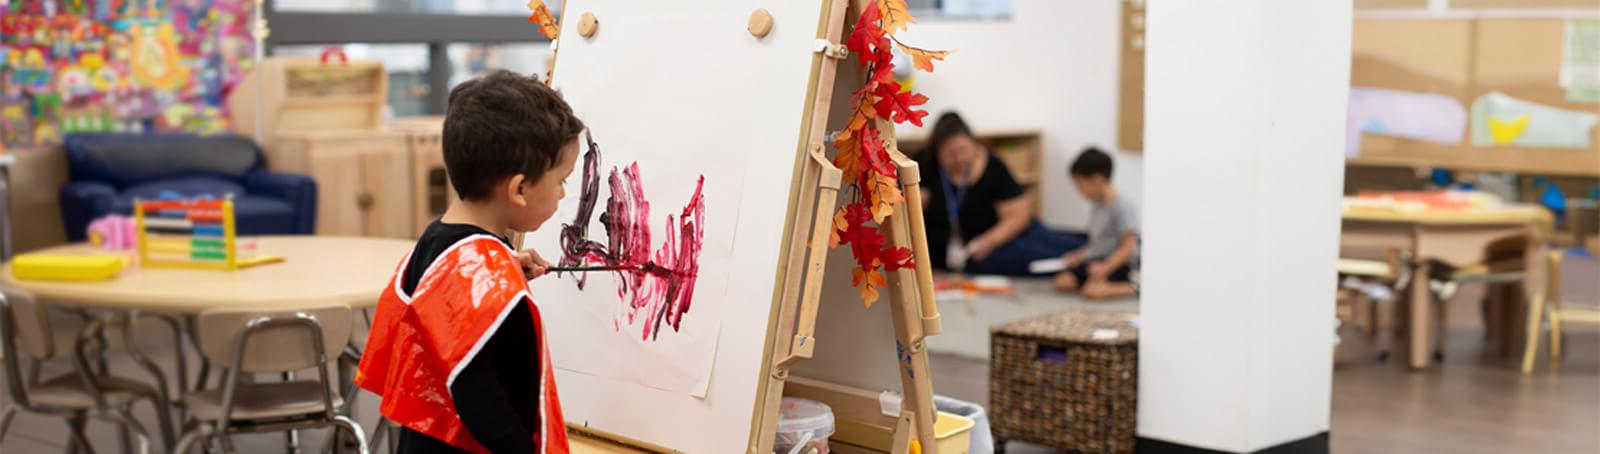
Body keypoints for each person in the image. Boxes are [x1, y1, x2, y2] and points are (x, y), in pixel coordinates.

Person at [357, 70, 580, 454]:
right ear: (520, 188)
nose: (563, 192)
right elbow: (474, 388)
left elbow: (452, 314)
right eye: (561, 179)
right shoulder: (478, 269)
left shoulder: (440, 239)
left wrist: (506, 268)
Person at [918, 112, 1084, 276]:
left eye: (964, 150)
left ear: (973, 144)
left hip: (1002, 238)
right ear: (938, 152)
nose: (960, 158)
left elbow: (1019, 216)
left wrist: (989, 242)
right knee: (1043, 260)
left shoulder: (993, 166)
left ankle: (1099, 254)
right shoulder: (925, 165)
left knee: (1067, 246)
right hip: (965, 256)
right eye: (951, 154)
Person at [1053, 147, 1139, 299]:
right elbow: (1097, 243)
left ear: (1098, 180)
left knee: (1093, 292)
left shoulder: (1122, 206)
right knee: (1062, 282)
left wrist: (1106, 267)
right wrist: (1078, 255)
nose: (1078, 191)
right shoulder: (1098, 204)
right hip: (1096, 260)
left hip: (1118, 264)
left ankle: (1134, 287)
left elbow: (1128, 247)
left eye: (1080, 185)